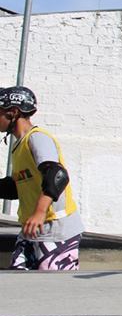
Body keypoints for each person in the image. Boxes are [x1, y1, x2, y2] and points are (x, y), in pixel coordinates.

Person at [0, 86, 84, 271]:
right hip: (32, 231)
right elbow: (17, 187)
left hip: (56, 230)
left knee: (52, 291)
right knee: (17, 285)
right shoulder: (18, 147)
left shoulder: (37, 138)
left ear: (13, 112)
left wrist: (39, 212)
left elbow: (57, 175)